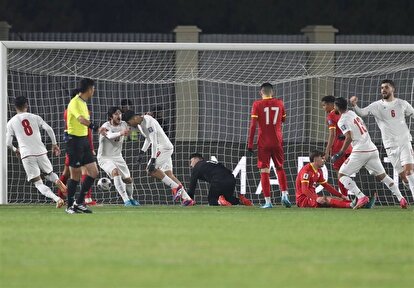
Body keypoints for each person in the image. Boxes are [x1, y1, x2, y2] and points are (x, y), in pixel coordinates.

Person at [332, 97, 408, 209]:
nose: (334, 108)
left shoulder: (342, 120)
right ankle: (401, 198)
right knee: (383, 176)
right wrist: (345, 136)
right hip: (371, 148)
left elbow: (349, 137)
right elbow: (359, 129)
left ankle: (361, 196)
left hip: (360, 150)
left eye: (334, 106)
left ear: (337, 107)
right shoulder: (352, 113)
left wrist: (341, 152)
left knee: (342, 175)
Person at [350, 79, 414, 201]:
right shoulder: (376, 105)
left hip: (405, 142)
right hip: (390, 146)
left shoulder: (402, 103)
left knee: (409, 172)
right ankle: (408, 185)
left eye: (386, 87)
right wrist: (354, 105)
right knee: (404, 177)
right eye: (382, 88)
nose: (383, 90)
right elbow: (362, 113)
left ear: (392, 89)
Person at [122, 110, 195, 206]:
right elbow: (148, 139)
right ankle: (187, 199)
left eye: (128, 122)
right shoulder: (140, 124)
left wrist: (153, 159)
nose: (129, 125)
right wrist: (141, 152)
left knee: (150, 170)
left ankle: (176, 188)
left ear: (133, 118)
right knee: (169, 175)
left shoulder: (148, 123)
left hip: (164, 147)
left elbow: (154, 141)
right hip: (162, 147)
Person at [6, 96, 66, 208]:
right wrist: (54, 144)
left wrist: (15, 149)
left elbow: (8, 143)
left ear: (15, 107)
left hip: (26, 154)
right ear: (26, 105)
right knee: (49, 174)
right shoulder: (35, 117)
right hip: (41, 151)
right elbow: (49, 129)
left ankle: (57, 199)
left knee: (38, 183)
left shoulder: (11, 122)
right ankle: (57, 180)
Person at [247, 82, 291, 208]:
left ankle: (268, 202)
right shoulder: (280, 103)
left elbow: (253, 126)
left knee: (264, 170)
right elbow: (283, 120)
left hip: (263, 142)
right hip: (277, 141)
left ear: (261, 92)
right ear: (273, 92)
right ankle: (284, 194)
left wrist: (250, 144)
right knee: (280, 167)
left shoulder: (257, 104)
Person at [65, 78, 102, 214]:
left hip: (84, 141)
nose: (94, 90)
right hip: (74, 141)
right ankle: (69, 206)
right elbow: (81, 119)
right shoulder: (74, 102)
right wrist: (95, 127)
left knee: (94, 172)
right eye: (93, 88)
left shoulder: (83, 102)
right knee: (75, 175)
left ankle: (79, 203)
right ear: (89, 89)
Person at [57, 89, 97, 206]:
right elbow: (85, 129)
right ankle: (85, 199)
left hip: (73, 142)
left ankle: (60, 197)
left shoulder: (67, 110)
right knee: (80, 172)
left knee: (69, 172)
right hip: (76, 143)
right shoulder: (75, 109)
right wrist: (90, 146)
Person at [295, 150, 372, 208]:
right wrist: (316, 198)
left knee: (335, 199)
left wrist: (341, 195)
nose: (324, 160)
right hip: (303, 200)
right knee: (327, 200)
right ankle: (350, 205)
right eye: (322, 158)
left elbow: (326, 186)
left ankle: (358, 203)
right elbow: (304, 190)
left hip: (312, 197)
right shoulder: (306, 171)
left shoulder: (318, 171)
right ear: (315, 159)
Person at [98, 107, 139, 206]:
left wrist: (144, 118)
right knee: (115, 172)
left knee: (128, 180)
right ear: (110, 116)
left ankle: (130, 198)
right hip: (105, 157)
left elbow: (135, 126)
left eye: (120, 113)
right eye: (116, 114)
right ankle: (126, 200)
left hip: (118, 156)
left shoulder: (124, 124)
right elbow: (109, 135)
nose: (118, 115)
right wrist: (121, 133)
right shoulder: (105, 125)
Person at [188, 153, 253, 206]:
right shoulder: (211, 163)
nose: (191, 164)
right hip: (231, 179)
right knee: (227, 198)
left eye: (191, 161)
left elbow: (192, 186)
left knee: (212, 200)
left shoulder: (197, 166)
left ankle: (219, 201)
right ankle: (240, 200)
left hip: (218, 179)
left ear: (196, 159)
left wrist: (189, 200)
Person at [321, 95, 352, 197]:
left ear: (331, 104)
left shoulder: (331, 115)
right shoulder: (345, 113)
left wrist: (327, 151)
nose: (323, 108)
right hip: (350, 146)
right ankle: (355, 196)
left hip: (338, 147)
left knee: (341, 174)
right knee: (346, 173)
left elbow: (332, 134)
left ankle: (345, 197)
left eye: (324, 105)